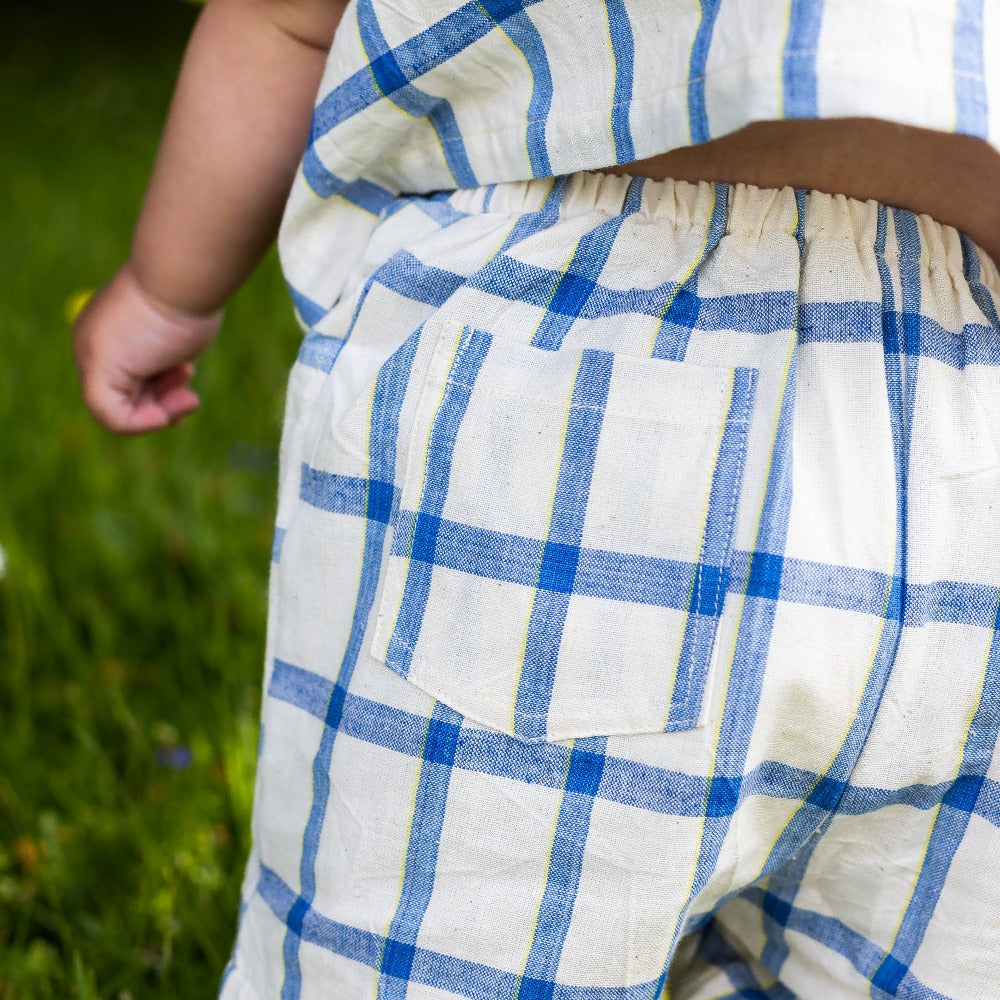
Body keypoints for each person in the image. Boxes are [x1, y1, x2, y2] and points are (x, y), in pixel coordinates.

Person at [73, 0, 1000, 996]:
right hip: (946, 410)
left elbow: (280, 18)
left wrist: (170, 289)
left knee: (449, 942)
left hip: (576, 370)